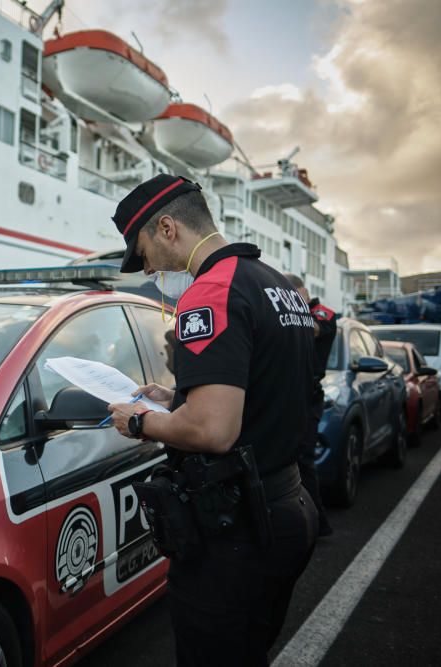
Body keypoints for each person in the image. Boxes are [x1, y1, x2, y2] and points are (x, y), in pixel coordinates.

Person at [106, 175, 318, 666]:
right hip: (287, 505)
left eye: (142, 253)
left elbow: (213, 431)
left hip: (238, 534)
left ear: (166, 228)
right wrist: (178, 394)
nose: (147, 267)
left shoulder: (210, 292)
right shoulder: (276, 285)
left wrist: (139, 421)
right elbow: (265, 388)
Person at [285, 273, 336, 537]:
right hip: (288, 392)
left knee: (305, 459)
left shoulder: (322, 313)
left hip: (309, 394)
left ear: (301, 293)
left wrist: (286, 310)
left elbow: (313, 329)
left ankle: (319, 523)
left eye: (291, 295)